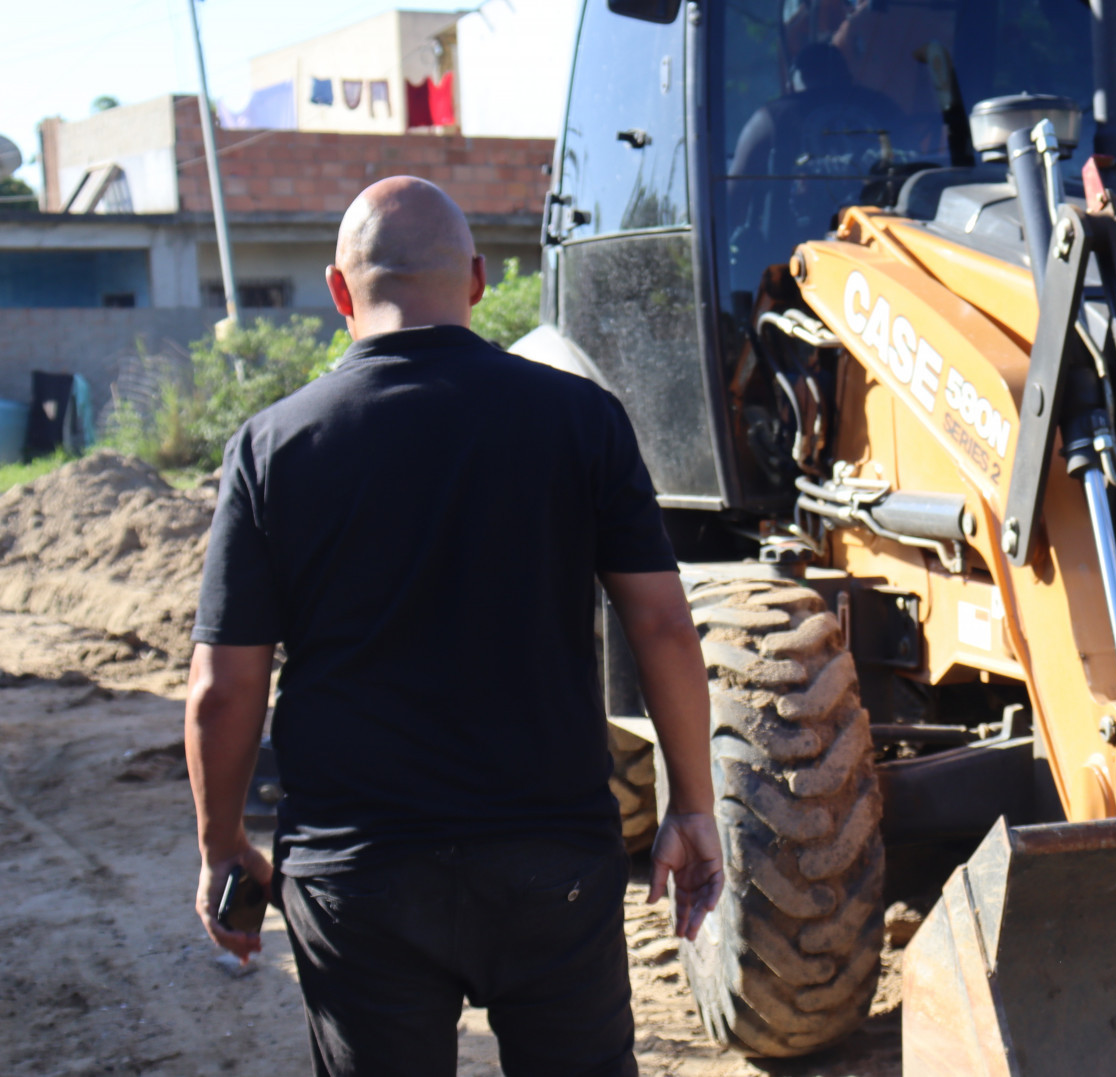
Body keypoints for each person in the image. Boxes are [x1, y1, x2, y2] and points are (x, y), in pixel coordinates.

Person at [185, 176, 723, 1077]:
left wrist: (222, 849)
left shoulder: (273, 446)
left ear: (337, 290)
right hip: (553, 860)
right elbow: (664, 626)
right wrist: (693, 804)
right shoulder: (581, 420)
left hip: (360, 874)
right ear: (476, 280)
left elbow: (222, 687)